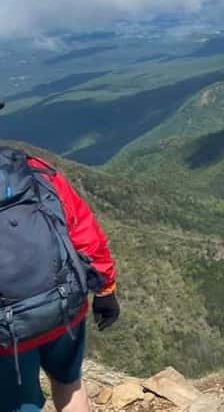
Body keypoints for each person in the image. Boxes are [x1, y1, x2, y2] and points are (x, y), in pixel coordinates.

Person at [0, 148, 119, 412]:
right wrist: (105, 289)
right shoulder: (32, 169)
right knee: (70, 383)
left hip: (7, 333)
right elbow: (84, 232)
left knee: (21, 403)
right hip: (63, 307)